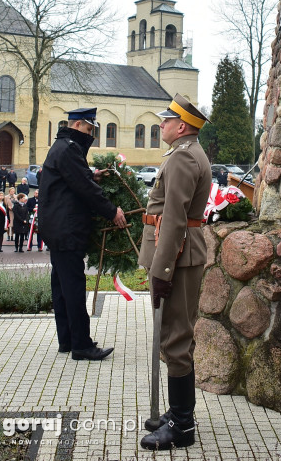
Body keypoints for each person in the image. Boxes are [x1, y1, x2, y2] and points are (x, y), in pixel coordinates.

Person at [139, 93, 211, 452]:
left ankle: (182, 426)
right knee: (175, 335)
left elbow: (174, 219)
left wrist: (161, 269)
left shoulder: (184, 158)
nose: (161, 125)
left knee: (176, 339)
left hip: (178, 258)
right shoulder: (183, 154)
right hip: (181, 256)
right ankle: (179, 412)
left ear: (180, 126)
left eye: (166, 120)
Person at [39, 107, 127, 361]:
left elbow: (75, 179)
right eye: (89, 130)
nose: (91, 135)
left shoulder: (62, 146)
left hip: (57, 228)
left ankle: (67, 339)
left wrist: (91, 174)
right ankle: (81, 345)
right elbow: (84, 189)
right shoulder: (68, 149)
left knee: (62, 287)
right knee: (74, 288)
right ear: (77, 125)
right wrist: (112, 211)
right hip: (66, 230)